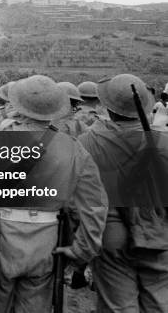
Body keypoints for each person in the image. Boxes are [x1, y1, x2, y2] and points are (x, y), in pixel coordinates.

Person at [0, 75, 108, 313]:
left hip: (0, 235)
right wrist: (81, 251)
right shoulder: (74, 148)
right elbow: (94, 207)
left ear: (17, 105)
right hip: (47, 238)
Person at [78, 74, 168, 313]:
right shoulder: (163, 142)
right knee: (160, 302)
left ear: (107, 107)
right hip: (159, 231)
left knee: (118, 306)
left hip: (110, 232)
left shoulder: (87, 142)